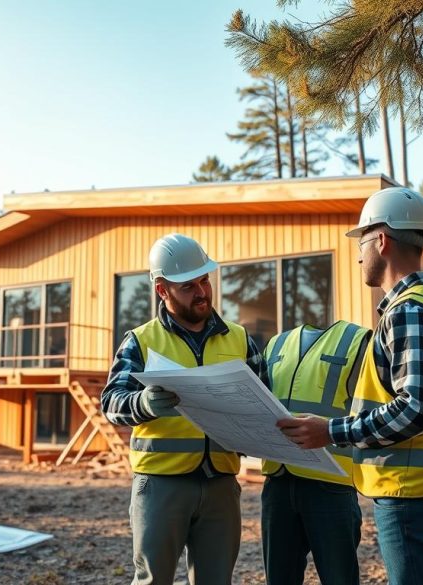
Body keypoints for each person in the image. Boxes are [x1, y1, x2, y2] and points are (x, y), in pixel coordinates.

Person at [276, 187, 423, 585]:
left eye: (362, 242)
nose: (357, 255)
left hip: (414, 493)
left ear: (382, 240)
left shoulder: (410, 313)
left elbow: (416, 409)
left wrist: (330, 431)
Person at [101, 232, 267, 585]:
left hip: (221, 483)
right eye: (189, 286)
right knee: (153, 580)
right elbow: (111, 402)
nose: (202, 292)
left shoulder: (238, 338)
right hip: (161, 485)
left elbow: (264, 400)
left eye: (205, 280)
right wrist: (141, 403)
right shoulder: (141, 340)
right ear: (163, 290)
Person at [259, 320, 370, 585]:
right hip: (278, 481)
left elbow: (372, 412)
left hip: (331, 484)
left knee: (339, 578)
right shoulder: (275, 344)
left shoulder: (358, 342)